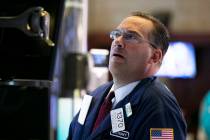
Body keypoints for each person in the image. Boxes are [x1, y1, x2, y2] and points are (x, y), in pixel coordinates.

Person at [67, 11, 187, 140]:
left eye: (131, 37)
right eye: (116, 34)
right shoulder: (95, 96)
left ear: (154, 56)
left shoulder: (160, 107)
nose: (117, 41)